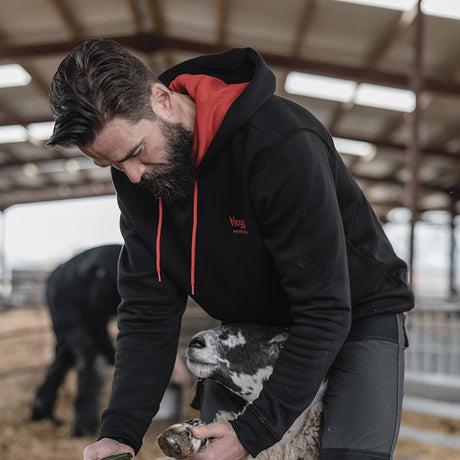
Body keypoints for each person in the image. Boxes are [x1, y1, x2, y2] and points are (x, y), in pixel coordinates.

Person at [47, 39, 414, 460]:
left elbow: (325, 307)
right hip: (251, 325)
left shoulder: (280, 143)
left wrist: (253, 432)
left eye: (136, 153)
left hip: (354, 312)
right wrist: (121, 433)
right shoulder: (139, 177)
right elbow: (148, 308)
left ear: (162, 100)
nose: (132, 177)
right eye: (112, 164)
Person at [30, 244, 122, 437]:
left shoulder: (132, 267)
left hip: (77, 297)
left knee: (66, 353)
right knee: (91, 358)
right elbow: (96, 319)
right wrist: (110, 354)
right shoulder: (116, 270)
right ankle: (85, 428)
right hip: (63, 295)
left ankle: (41, 408)